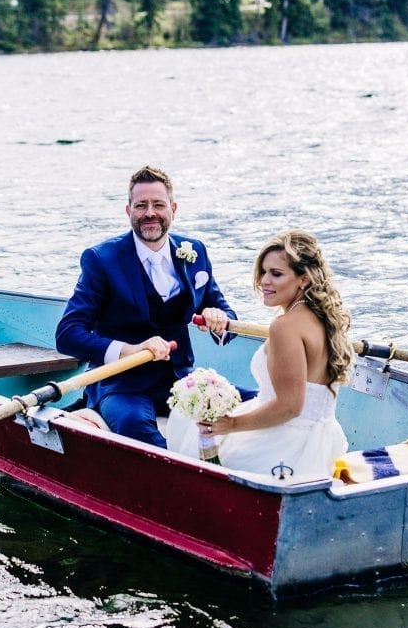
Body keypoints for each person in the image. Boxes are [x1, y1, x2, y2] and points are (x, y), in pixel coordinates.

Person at [56, 166, 236, 447]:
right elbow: (67, 334)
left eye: (158, 205)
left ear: (173, 209)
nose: (150, 213)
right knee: (135, 426)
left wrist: (219, 317)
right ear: (128, 211)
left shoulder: (194, 251)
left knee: (244, 404)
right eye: (141, 205)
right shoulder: (101, 259)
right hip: (121, 385)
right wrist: (130, 350)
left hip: (180, 381)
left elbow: (227, 317)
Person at [166, 230, 352, 477]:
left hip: (285, 443)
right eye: (263, 272)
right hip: (323, 439)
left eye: (276, 274)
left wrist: (230, 425)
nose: (264, 281)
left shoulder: (285, 327)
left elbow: (290, 407)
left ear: (304, 279)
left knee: (186, 423)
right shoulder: (325, 319)